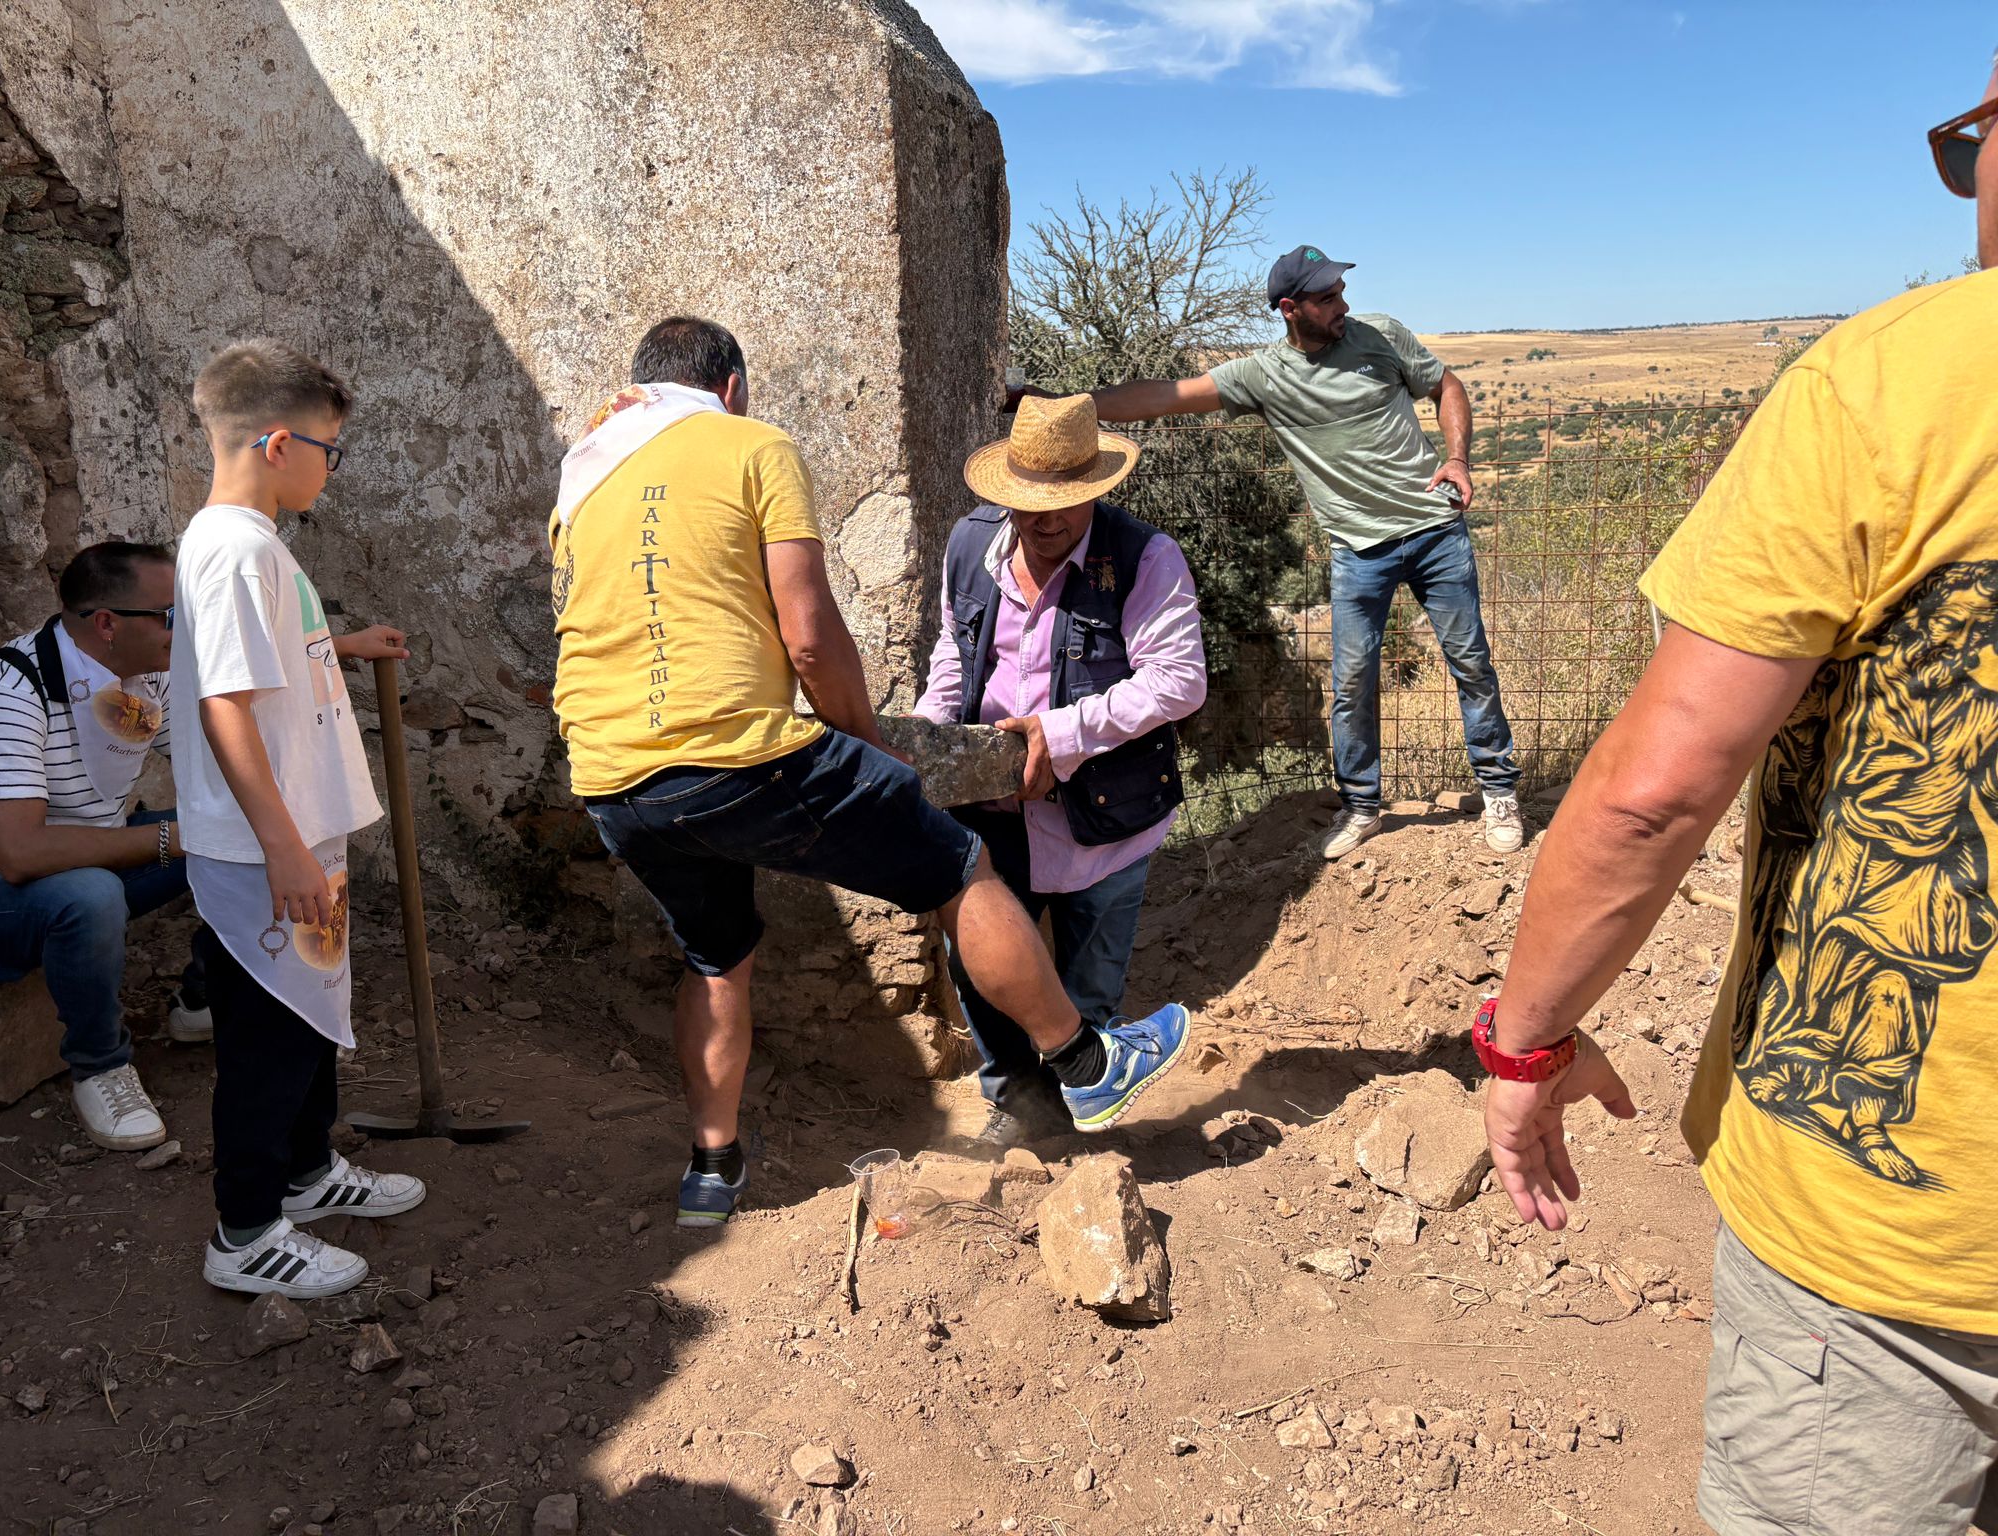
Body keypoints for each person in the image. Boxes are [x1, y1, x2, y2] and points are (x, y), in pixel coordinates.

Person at [1478, 53, 1998, 1536]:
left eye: (1966, 151)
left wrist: (1523, 1043)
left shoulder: (1898, 379)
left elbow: (1654, 795)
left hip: (1905, 1238)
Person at [551, 317, 1192, 1226]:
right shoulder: (752, 446)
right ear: (730, 387)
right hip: (738, 750)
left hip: (612, 774)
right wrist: (868, 745)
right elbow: (810, 637)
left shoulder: (587, 474)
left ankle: (711, 1172)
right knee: (959, 868)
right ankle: (1090, 1064)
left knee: (716, 959)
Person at [1064, 246, 1523, 859]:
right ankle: (1361, 807)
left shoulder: (1381, 335)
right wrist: (1070, 405)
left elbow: (1447, 385)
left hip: (1435, 531)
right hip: (1358, 550)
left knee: (1470, 663)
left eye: (1341, 292)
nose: (1343, 305)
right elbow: (1165, 396)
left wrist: (1458, 458)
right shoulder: (1265, 375)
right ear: (1290, 308)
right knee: (1352, 681)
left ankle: (1499, 792)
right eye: (1327, 297)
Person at [175, 339, 424, 1298]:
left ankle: (307, 1172)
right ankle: (244, 1232)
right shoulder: (237, 551)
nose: (331, 468)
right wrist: (282, 848)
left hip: (293, 835)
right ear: (279, 444)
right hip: (264, 849)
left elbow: (261, 664)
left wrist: (341, 644)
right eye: (330, 449)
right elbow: (224, 707)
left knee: (309, 1019)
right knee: (268, 1041)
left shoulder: (253, 548)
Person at [914, 393, 1207, 1145]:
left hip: (1106, 824)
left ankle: (1084, 1121)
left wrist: (1061, 733)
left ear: (1096, 488)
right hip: (988, 811)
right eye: (1029, 505)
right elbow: (954, 650)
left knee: (1088, 986)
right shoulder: (969, 546)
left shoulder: (1144, 558)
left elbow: (1179, 680)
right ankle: (1018, 1109)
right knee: (982, 966)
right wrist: (930, 734)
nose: (1046, 522)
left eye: (1065, 504)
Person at [0, 541, 212, 1151]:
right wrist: (172, 838)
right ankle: (101, 1067)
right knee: (91, 893)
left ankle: (202, 1000)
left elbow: (214, 757)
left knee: (241, 829)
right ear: (108, 624)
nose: (185, 630)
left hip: (87, 863)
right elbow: (21, 854)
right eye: (172, 616)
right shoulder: (4, 691)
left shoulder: (143, 678)